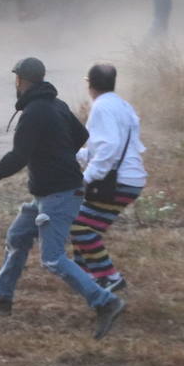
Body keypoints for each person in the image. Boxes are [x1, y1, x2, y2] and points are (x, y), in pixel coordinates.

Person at [0, 58, 126, 339]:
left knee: (52, 258)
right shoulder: (57, 105)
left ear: (20, 81)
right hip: (49, 193)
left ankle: (105, 302)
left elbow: (18, 158)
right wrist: (55, 152)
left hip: (59, 194)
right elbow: (81, 135)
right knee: (17, 237)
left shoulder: (34, 113)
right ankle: (2, 297)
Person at [70, 63, 147, 292]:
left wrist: (86, 178)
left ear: (89, 85)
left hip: (118, 182)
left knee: (80, 229)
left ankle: (108, 277)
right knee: (83, 225)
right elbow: (110, 147)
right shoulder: (123, 105)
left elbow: (109, 147)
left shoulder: (101, 108)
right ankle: (82, 277)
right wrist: (72, 154)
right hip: (131, 178)